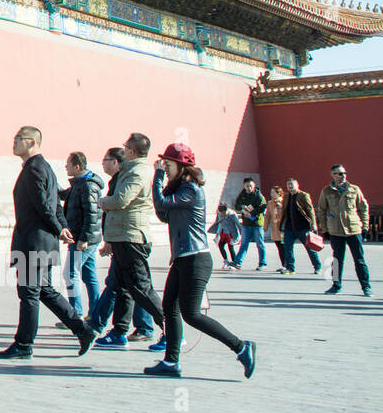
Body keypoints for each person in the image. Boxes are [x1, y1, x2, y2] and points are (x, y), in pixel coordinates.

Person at [145, 143, 256, 378]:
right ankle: (171, 362)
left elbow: (162, 204)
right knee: (169, 309)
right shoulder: (179, 190)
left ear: (182, 166)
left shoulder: (191, 190)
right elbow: (163, 213)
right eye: (164, 163)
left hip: (195, 259)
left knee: (191, 314)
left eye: (168, 163)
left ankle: (241, 347)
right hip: (182, 259)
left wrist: (157, 176)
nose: (164, 166)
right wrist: (161, 183)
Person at [0, 127, 96, 360]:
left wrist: (60, 227)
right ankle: (83, 330)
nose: (14, 142)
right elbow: (55, 205)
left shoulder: (34, 169)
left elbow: (44, 205)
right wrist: (62, 226)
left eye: (17, 139)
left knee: (29, 293)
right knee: (44, 291)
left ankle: (24, 344)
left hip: (34, 242)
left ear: (31, 142)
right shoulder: (44, 167)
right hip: (43, 242)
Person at [95, 133, 165, 347]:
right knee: (120, 285)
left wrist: (102, 202)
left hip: (132, 236)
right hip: (123, 236)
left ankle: (172, 328)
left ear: (132, 152)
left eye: (126, 148)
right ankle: (118, 332)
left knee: (141, 288)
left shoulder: (137, 171)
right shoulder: (131, 170)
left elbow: (122, 199)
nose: (123, 151)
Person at [59, 152, 103, 320]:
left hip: (82, 239)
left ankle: (74, 315)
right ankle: (95, 313)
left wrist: (84, 238)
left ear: (77, 166)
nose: (65, 166)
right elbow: (65, 195)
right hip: (85, 238)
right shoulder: (80, 183)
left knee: (70, 274)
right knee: (89, 275)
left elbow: (92, 215)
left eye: (68, 164)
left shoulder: (87, 185)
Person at [316, 165, 372, 296]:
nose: (343, 175)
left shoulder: (354, 189)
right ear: (333, 175)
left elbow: (364, 208)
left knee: (359, 260)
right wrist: (324, 229)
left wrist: (365, 226)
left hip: (353, 229)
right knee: (337, 260)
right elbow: (322, 210)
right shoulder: (327, 191)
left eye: (344, 173)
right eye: (340, 173)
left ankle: (366, 286)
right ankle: (336, 285)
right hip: (336, 230)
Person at [281, 178, 322, 275]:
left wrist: (314, 224)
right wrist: (281, 226)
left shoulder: (303, 195)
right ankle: (290, 268)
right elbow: (284, 212)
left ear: (297, 185)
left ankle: (317, 267)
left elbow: (310, 210)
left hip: (303, 227)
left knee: (310, 248)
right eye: (288, 184)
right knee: (288, 248)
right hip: (289, 228)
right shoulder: (286, 197)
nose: (290, 186)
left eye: (291, 184)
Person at [232, 177, 268, 270]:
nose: (249, 188)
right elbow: (236, 205)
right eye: (247, 186)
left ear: (254, 185)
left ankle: (262, 263)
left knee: (260, 244)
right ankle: (238, 263)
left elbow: (263, 207)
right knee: (244, 244)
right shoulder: (242, 194)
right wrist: (242, 207)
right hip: (246, 223)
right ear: (244, 186)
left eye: (251, 186)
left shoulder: (258, 195)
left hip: (257, 223)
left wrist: (251, 213)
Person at [207, 204, 241, 269]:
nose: (222, 214)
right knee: (220, 245)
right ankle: (226, 261)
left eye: (224, 213)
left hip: (231, 233)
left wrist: (240, 234)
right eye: (221, 213)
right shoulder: (220, 214)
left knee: (230, 247)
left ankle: (235, 263)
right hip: (224, 232)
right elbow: (220, 224)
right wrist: (217, 234)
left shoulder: (232, 215)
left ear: (227, 210)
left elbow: (238, 224)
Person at [268, 186, 287, 272]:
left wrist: (280, 208)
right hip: (275, 228)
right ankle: (283, 264)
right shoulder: (270, 203)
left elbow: (285, 214)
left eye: (273, 192)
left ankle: (287, 264)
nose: (271, 194)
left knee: (284, 247)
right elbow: (268, 215)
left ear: (278, 193)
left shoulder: (283, 202)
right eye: (271, 192)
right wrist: (265, 226)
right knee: (279, 247)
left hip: (282, 228)